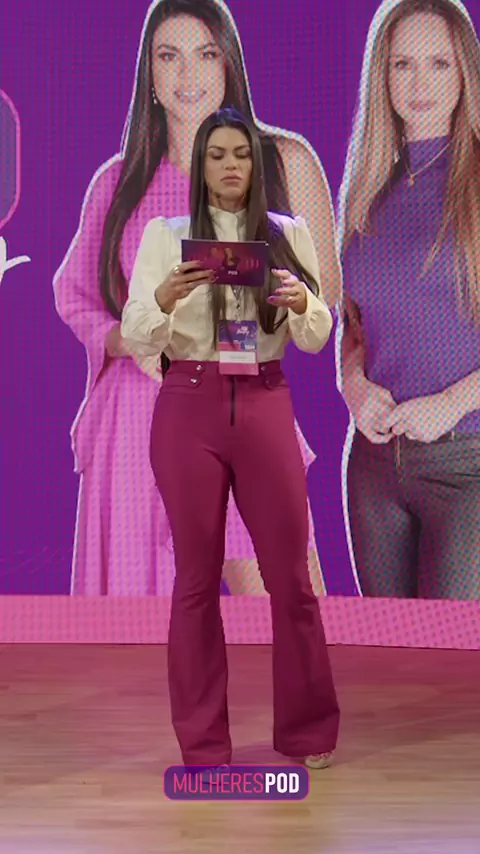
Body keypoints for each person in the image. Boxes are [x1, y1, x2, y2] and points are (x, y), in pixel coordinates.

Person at [52, 0, 340, 597]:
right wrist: (126, 339)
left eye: (206, 53)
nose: (188, 74)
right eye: (169, 56)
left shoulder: (284, 161)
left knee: (291, 612)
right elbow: (74, 294)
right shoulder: (117, 184)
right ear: (150, 76)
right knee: (139, 632)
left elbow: (321, 299)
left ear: (228, 63)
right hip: (135, 424)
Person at [121, 107, 340, 770]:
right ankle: (204, 743)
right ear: (200, 165)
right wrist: (164, 296)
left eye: (240, 154)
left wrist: (303, 304)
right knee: (196, 579)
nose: (229, 166)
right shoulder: (168, 235)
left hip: (266, 399)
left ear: (256, 163)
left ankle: (307, 732)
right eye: (216, 154)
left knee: (291, 578)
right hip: (189, 402)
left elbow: (317, 334)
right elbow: (136, 332)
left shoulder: (287, 233)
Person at [336, 0, 480, 599]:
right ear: (383, 76)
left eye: (439, 63)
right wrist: (353, 386)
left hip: (468, 464)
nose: (420, 83)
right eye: (403, 64)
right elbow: (355, 326)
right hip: (375, 471)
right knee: (393, 653)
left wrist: (450, 403)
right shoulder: (366, 191)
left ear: (464, 72)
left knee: (455, 650)